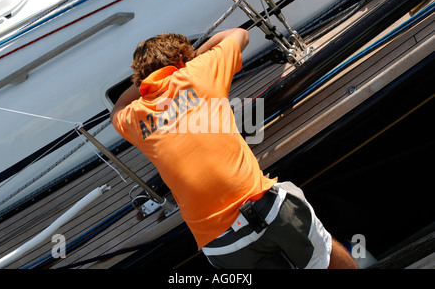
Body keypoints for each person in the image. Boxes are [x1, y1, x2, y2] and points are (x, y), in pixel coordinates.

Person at [110, 28, 358, 269]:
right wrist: (192, 60)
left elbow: (117, 108)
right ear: (183, 59)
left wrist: (148, 80)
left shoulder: (133, 116)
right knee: (326, 257)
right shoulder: (199, 71)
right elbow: (239, 34)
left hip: (221, 245)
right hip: (265, 208)